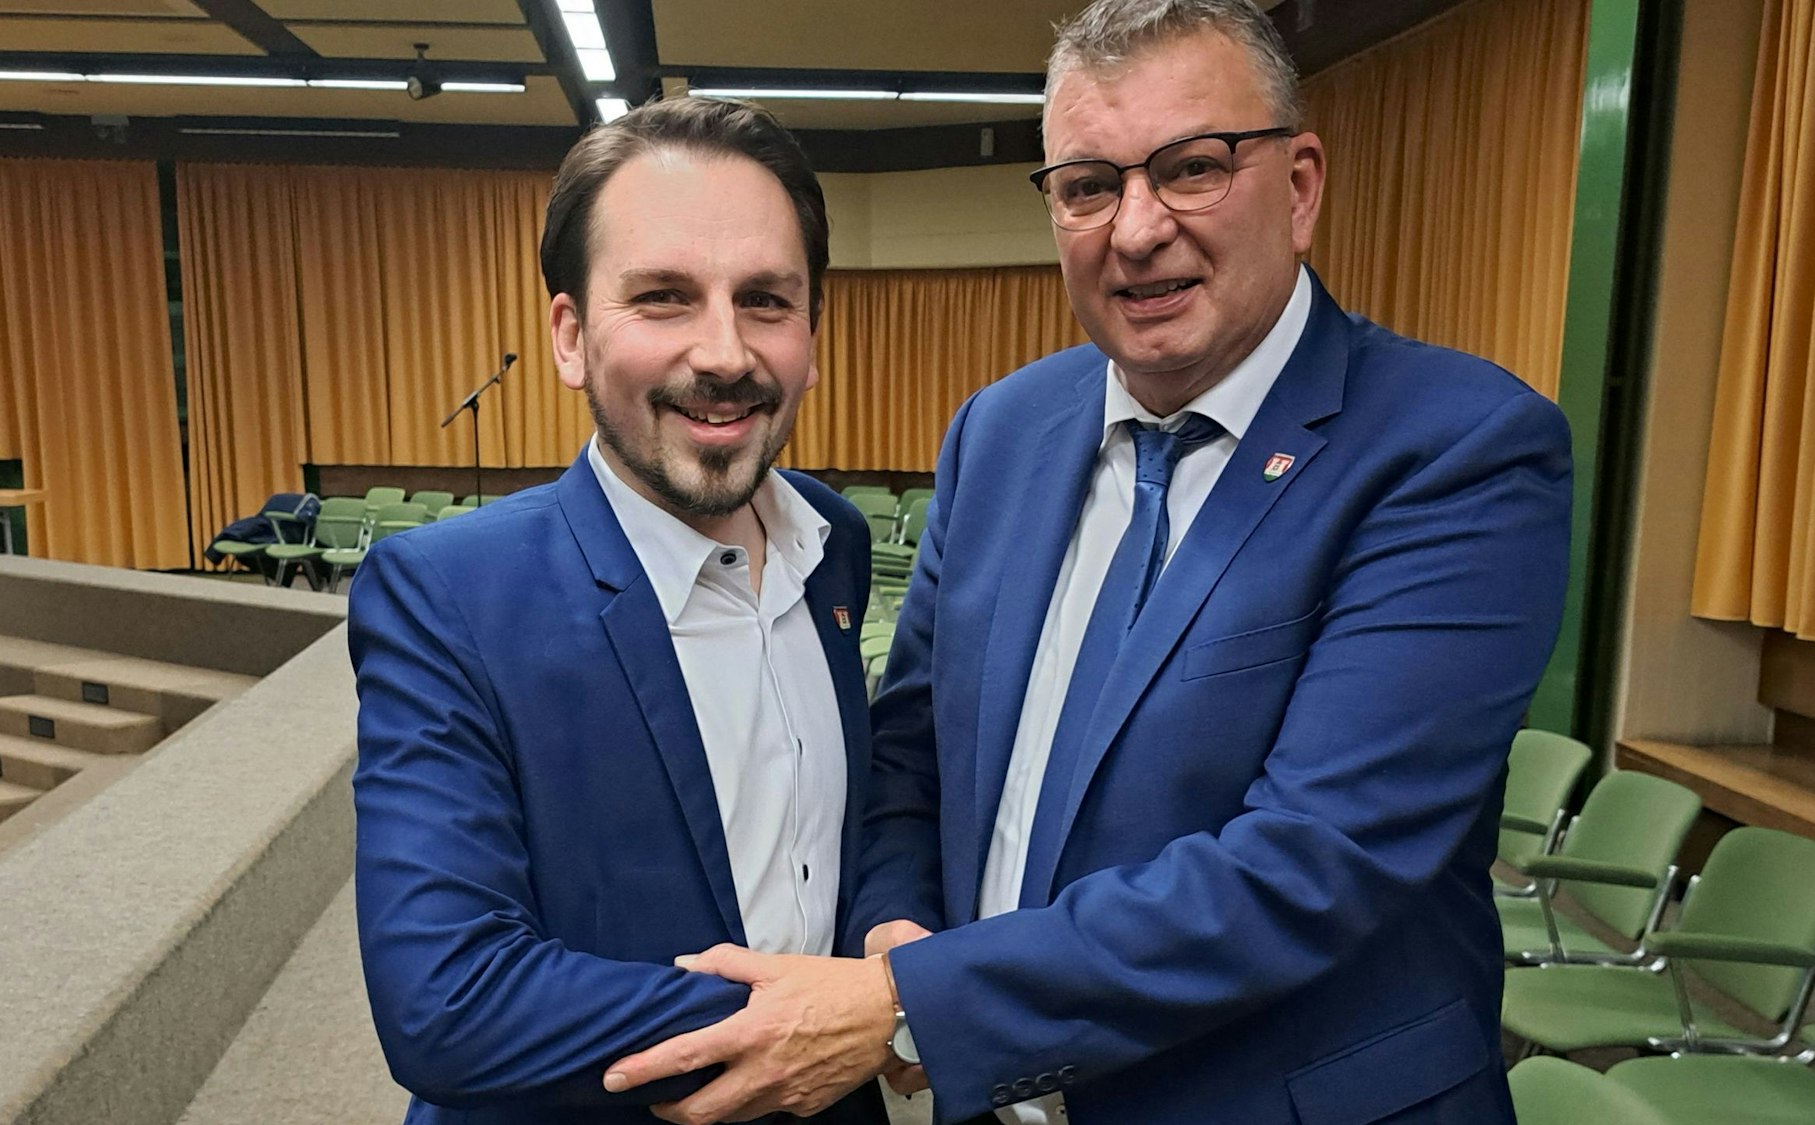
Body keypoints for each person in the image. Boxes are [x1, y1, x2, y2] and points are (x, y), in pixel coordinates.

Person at [602, 2, 1572, 1122]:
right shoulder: (1000, 430)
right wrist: (893, 925)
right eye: (1087, 186)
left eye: (1192, 168)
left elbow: (1312, 861)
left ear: (1299, 186)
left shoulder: (1455, 449)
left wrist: (912, 1003)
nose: (1137, 228)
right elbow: (912, 745)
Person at [347, 96, 887, 1125]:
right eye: (665, 298)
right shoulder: (447, 594)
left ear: (811, 333)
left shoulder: (833, 543)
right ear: (570, 335)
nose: (724, 353)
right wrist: (815, 1021)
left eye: (765, 300)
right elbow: (444, 1003)